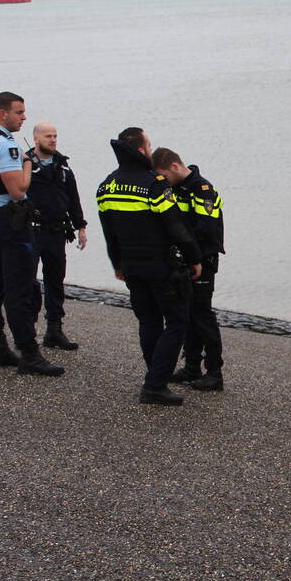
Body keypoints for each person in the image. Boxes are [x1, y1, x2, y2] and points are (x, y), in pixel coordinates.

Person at [96, 127, 201, 406]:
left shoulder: (107, 185)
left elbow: (108, 231)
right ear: (142, 150)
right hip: (160, 265)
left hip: (131, 265)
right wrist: (194, 258)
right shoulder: (154, 184)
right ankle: (155, 385)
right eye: (149, 145)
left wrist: (117, 263)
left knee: (148, 321)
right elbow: (176, 227)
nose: (151, 149)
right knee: (177, 321)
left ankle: (154, 378)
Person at [0, 92, 64, 376]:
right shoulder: (7, 146)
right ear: (3, 113)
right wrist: (28, 166)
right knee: (19, 288)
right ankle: (29, 353)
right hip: (10, 220)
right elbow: (18, 191)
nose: (24, 117)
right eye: (19, 112)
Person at [151, 147, 226, 391]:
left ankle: (214, 372)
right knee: (187, 315)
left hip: (203, 261)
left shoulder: (202, 189)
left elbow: (206, 230)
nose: (161, 180)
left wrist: (188, 250)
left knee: (203, 315)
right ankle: (192, 366)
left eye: (163, 174)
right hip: (184, 260)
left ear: (174, 167)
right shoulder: (174, 189)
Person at [25, 122, 88, 351]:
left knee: (55, 281)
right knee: (28, 282)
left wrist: (80, 226)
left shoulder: (63, 166)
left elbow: (73, 197)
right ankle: (27, 333)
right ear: (35, 138)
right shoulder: (25, 164)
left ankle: (54, 330)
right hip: (31, 230)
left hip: (57, 232)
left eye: (55, 136)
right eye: (48, 136)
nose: (52, 140)